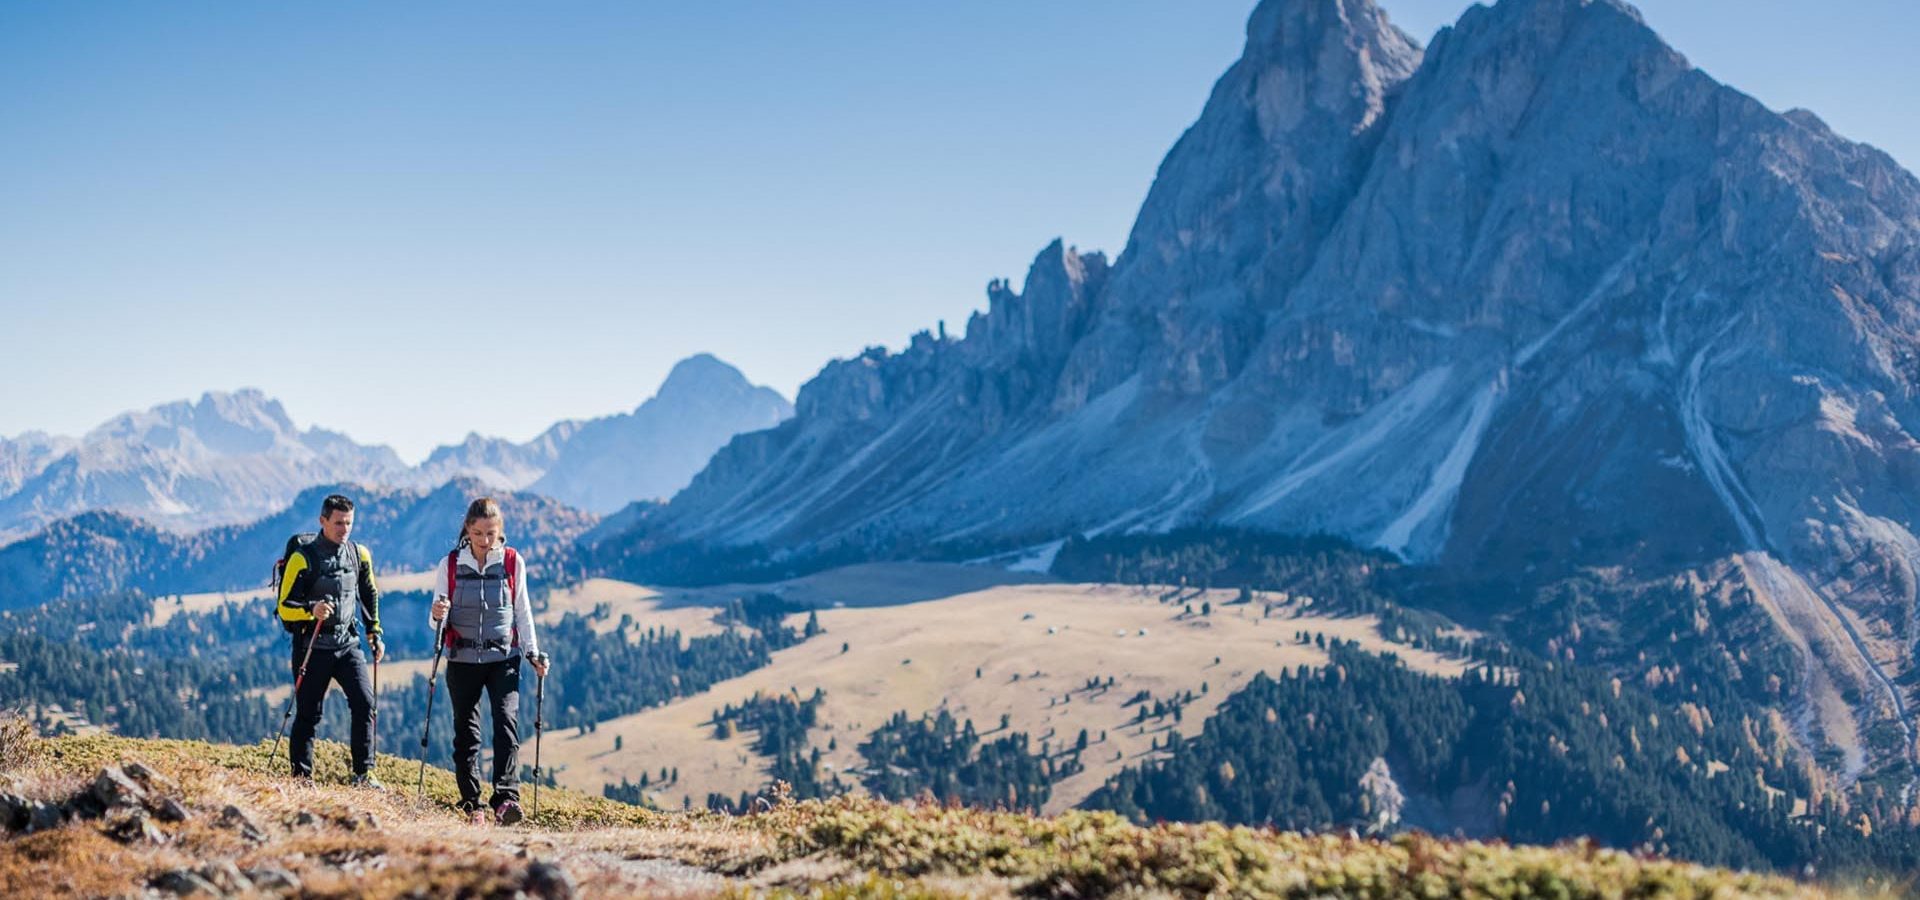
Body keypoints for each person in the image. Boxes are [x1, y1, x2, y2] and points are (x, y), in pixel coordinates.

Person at [429, 497, 552, 825]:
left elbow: (522, 611)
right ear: (468, 529)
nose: (485, 540)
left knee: (506, 726)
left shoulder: (513, 562)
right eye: (479, 533)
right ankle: (473, 804)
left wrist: (533, 652)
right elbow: (437, 620)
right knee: (467, 734)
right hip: (463, 659)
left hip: (504, 657)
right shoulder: (450, 564)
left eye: (492, 533)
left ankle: (506, 799)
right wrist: (436, 614)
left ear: (501, 532)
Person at [278, 493, 384, 785]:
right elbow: (284, 606)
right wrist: (312, 610)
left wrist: (374, 631)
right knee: (309, 716)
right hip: (312, 648)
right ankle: (302, 778)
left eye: (348, 523)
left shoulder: (358, 554)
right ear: (322, 521)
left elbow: (369, 593)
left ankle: (364, 773)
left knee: (365, 703)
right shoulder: (303, 558)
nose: (344, 529)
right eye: (338, 523)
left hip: (347, 644)